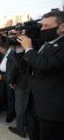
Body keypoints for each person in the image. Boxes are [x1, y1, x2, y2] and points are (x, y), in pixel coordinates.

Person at [17, 11, 64, 140]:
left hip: (51, 110)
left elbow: (45, 65)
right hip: (35, 104)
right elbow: (26, 67)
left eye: (46, 26)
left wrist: (29, 49)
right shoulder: (44, 43)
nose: (42, 29)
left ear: (62, 27)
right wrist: (20, 49)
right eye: (41, 26)